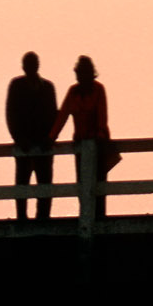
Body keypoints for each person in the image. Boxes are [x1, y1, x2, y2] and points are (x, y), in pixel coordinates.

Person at [50, 55, 116, 216]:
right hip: (80, 145)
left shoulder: (98, 89)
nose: (79, 76)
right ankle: (86, 215)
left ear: (89, 73)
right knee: (82, 183)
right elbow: (62, 116)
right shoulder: (73, 92)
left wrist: (99, 135)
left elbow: (102, 116)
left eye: (81, 73)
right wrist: (51, 137)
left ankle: (99, 217)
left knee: (99, 184)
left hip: (98, 146)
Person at [5, 52, 58, 221]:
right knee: (22, 184)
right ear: (23, 66)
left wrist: (49, 139)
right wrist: (18, 139)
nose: (30, 67)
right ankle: (22, 218)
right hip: (24, 143)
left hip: (43, 143)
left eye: (33, 63)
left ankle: (43, 218)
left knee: (45, 184)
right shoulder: (16, 85)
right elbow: (10, 113)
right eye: (28, 64)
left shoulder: (48, 87)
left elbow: (53, 115)